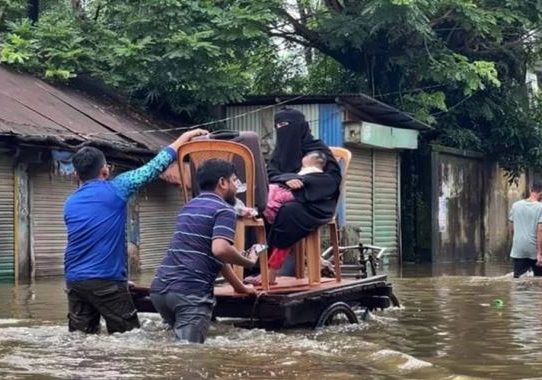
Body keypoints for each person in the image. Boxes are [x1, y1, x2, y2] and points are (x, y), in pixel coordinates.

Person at [63, 128, 208, 334]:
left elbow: (90, 241)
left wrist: (119, 280)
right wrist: (184, 139)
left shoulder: (69, 203)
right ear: (105, 170)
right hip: (106, 282)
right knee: (128, 338)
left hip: (75, 281)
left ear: (76, 175)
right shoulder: (117, 188)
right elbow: (154, 167)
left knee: (81, 339)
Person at [149, 159, 259, 344]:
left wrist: (241, 288)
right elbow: (220, 250)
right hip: (190, 293)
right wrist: (249, 261)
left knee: (175, 350)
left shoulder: (188, 207)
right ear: (222, 183)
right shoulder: (224, 210)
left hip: (160, 291)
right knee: (189, 358)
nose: (235, 187)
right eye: (234, 181)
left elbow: (216, 258)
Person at [247, 108, 342, 284]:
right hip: (283, 199)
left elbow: (332, 181)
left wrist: (303, 182)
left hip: (316, 204)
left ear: (300, 127)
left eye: (286, 126)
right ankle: (252, 267)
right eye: (279, 126)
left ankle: (272, 271)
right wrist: (287, 178)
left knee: (289, 212)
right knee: (254, 210)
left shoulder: (317, 151)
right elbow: (269, 175)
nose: (283, 130)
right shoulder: (279, 153)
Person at [263, 150, 327, 224]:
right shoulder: (306, 170)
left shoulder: (313, 171)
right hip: (292, 192)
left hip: (297, 194)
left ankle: (269, 210)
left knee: (273, 191)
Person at [508, 182, 542, 278]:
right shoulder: (540, 207)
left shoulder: (515, 205)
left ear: (530, 190)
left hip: (518, 249)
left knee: (518, 280)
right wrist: (540, 253)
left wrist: (518, 239)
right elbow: (540, 230)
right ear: (541, 194)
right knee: (539, 282)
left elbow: (511, 226)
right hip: (534, 250)